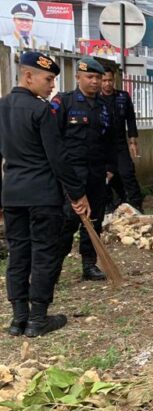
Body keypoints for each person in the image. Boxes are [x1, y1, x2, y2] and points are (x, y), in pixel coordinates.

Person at [0, 52, 90, 337]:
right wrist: (77, 194)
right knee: (44, 254)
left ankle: (18, 319)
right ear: (28, 76)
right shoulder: (41, 110)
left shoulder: (1, 107)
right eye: (49, 79)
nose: (53, 85)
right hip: (42, 196)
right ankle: (38, 319)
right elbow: (58, 157)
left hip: (12, 194)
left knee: (18, 255)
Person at [52, 57, 115, 282]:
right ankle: (53, 269)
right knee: (67, 222)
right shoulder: (64, 102)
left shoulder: (104, 106)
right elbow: (53, 140)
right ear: (78, 77)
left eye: (98, 77)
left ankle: (89, 265)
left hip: (96, 174)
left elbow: (110, 140)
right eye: (90, 77)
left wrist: (109, 168)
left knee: (94, 220)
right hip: (72, 175)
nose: (95, 82)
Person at [100, 65, 145, 213]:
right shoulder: (95, 99)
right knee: (105, 177)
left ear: (114, 80)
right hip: (102, 145)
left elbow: (130, 120)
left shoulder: (123, 97)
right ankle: (109, 206)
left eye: (110, 80)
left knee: (127, 174)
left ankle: (136, 204)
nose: (107, 83)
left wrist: (133, 141)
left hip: (120, 144)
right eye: (104, 80)